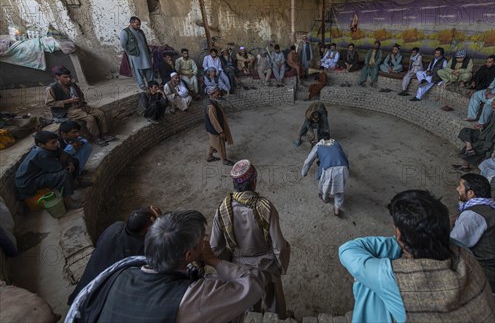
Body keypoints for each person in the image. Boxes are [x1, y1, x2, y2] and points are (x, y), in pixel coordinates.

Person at [66, 210, 270, 323]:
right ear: (190, 254)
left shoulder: (122, 271)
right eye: (202, 241)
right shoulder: (192, 297)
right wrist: (212, 260)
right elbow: (254, 283)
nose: (205, 242)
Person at [339, 190, 495, 323]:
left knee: (368, 286)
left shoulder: (393, 278)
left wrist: (401, 241)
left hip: (398, 279)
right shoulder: (464, 253)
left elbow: (347, 250)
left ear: (399, 236)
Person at [211, 160, 291, 319]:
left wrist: (231, 262)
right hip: (267, 265)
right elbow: (279, 246)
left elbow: (215, 247)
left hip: (240, 269)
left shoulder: (222, 209)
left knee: (249, 306)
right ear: (254, 182)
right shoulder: (265, 206)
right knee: (274, 302)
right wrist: (280, 267)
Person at [67, 205, 162, 305]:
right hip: (92, 305)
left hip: (79, 296)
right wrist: (160, 222)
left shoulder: (115, 227)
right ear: (148, 229)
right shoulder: (142, 251)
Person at [45, 66, 115, 146]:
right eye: (65, 77)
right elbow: (49, 103)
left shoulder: (72, 84)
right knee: (90, 119)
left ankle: (105, 134)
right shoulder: (51, 88)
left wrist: (81, 101)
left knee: (100, 113)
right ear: (58, 77)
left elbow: (80, 94)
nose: (68, 79)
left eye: (69, 77)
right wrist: (68, 101)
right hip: (68, 109)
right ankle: (96, 137)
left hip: (80, 105)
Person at [15, 131, 83, 209]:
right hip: (28, 183)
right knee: (64, 174)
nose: (56, 144)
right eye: (53, 142)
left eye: (56, 141)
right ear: (41, 145)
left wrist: (71, 163)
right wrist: (67, 163)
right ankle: (68, 202)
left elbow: (64, 155)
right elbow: (58, 168)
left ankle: (76, 183)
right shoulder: (41, 154)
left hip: (38, 175)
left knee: (74, 161)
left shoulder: (50, 147)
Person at [453, 96, 495, 172]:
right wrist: (482, 126)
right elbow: (490, 124)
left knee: (478, 145)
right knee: (466, 131)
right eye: (493, 104)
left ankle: (465, 166)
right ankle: (469, 147)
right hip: (485, 133)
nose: (493, 106)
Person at [301, 134, 349, 216]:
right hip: (343, 167)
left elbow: (307, 162)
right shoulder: (337, 143)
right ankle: (337, 208)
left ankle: (325, 198)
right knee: (340, 188)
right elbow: (345, 155)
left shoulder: (318, 146)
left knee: (324, 184)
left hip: (328, 168)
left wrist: (304, 172)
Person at [119, 16, 154, 90]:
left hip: (145, 55)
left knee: (149, 69)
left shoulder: (140, 31)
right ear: (131, 23)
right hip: (135, 56)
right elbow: (123, 44)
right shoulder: (125, 32)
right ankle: (142, 86)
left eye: (139, 24)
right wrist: (130, 51)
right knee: (139, 71)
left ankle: (151, 84)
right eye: (137, 24)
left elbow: (145, 42)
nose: (138, 26)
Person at [205, 87, 234, 166]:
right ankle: (224, 160)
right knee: (220, 145)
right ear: (211, 94)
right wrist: (220, 131)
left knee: (213, 143)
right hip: (214, 130)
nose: (219, 96)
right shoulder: (211, 106)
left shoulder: (212, 102)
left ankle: (210, 156)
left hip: (211, 129)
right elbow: (214, 121)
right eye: (217, 94)